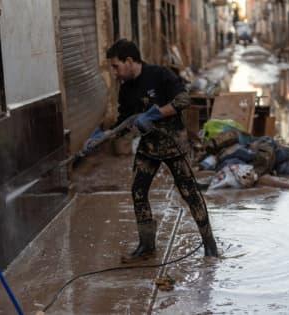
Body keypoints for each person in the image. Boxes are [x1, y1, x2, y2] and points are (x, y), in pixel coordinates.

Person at [84, 39, 218, 262]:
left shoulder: (160, 74)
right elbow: (124, 121)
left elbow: (184, 99)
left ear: (129, 61)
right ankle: (146, 246)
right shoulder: (126, 89)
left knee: (190, 193)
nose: (114, 73)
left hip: (173, 143)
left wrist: (154, 114)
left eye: (116, 66)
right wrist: (102, 136)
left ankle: (209, 244)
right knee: (138, 191)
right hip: (148, 147)